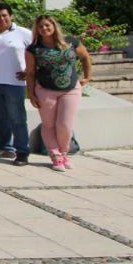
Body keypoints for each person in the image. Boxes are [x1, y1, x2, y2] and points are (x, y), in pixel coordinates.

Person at [26, 14, 93, 171]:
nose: (44, 28)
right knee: (48, 124)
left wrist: (87, 77)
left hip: (71, 89)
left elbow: (85, 57)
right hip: (45, 89)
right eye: (40, 26)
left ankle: (64, 154)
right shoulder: (33, 49)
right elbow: (30, 73)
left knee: (65, 125)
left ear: (54, 26)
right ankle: (55, 156)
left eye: (47, 25)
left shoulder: (70, 42)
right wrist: (31, 93)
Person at [0, 3, 34, 165]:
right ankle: (4, 147)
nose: (1, 18)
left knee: (17, 119)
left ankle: (22, 152)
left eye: (4, 15)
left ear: (11, 16)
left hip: (15, 83)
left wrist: (29, 71)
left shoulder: (24, 33)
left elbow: (36, 53)